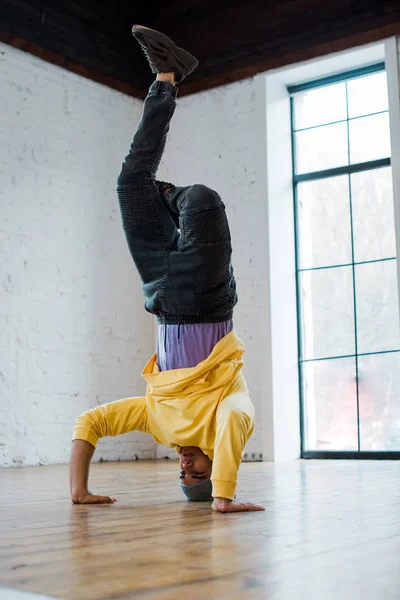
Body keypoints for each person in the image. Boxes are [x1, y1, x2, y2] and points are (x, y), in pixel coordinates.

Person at [69, 25, 264, 514]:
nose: (184, 465)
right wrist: (221, 497)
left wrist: (79, 491)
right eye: (194, 472)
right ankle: (172, 198)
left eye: (182, 475)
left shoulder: (159, 424)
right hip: (205, 297)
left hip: (159, 294)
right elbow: (238, 428)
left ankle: (168, 77)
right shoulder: (227, 418)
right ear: (215, 461)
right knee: (200, 198)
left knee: (129, 184)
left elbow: (89, 422)